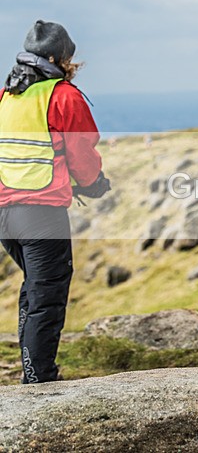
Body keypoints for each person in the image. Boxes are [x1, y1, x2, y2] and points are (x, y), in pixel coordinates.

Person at [0, 20, 110, 383]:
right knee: (47, 297)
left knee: (35, 288)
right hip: (41, 216)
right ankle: (39, 379)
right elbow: (82, 153)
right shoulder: (63, 96)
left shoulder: (6, 96)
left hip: (5, 215)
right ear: (56, 57)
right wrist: (94, 185)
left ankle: (32, 375)